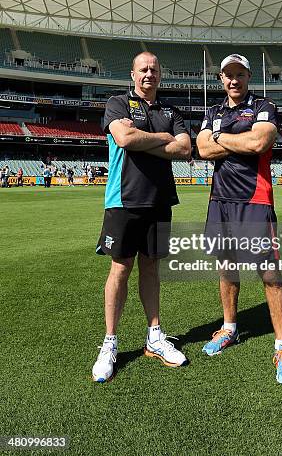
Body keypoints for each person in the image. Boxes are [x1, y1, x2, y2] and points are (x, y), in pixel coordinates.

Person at [196, 54, 282, 385]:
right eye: (228, 75)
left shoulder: (264, 106)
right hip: (220, 201)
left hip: (255, 200)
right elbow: (201, 150)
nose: (233, 80)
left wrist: (220, 139)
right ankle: (229, 328)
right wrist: (233, 141)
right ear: (221, 79)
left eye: (239, 74)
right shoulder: (213, 112)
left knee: (269, 273)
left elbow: (259, 141)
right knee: (227, 267)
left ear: (248, 76)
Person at [92, 51, 191, 382]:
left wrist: (145, 140)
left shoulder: (172, 111)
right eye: (143, 69)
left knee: (151, 268)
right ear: (133, 74)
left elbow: (184, 148)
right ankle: (110, 343)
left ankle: (154, 336)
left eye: (154, 69)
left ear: (160, 74)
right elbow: (124, 137)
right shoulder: (117, 103)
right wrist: (163, 139)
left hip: (160, 201)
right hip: (124, 200)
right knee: (120, 269)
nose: (149, 73)